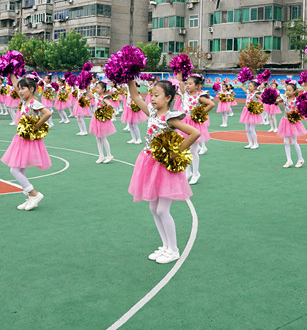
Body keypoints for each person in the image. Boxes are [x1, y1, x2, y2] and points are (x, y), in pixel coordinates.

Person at [126, 78, 199, 264]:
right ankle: (166, 246)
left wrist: (177, 151)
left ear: (168, 98)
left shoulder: (170, 118)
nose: (152, 98)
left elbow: (195, 133)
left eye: (156, 95)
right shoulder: (151, 112)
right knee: (153, 208)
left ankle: (174, 249)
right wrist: (129, 77)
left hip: (164, 167)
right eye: (151, 95)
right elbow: (135, 96)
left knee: (162, 209)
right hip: (149, 163)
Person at [1, 74, 52, 211]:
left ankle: (34, 193)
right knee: (21, 169)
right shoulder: (24, 102)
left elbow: (47, 113)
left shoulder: (34, 103)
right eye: (19, 89)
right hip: (21, 138)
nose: (20, 91)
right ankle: (30, 197)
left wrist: (36, 126)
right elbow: (15, 86)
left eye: (23, 88)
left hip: (28, 140)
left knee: (14, 170)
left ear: (31, 89)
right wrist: (11, 73)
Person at [177, 73, 215, 185]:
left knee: (193, 150)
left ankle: (196, 173)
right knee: (184, 148)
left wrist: (200, 113)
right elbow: (179, 81)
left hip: (194, 124)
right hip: (184, 123)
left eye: (190, 84)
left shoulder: (200, 96)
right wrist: (179, 68)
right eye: (187, 83)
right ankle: (188, 172)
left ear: (197, 86)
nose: (187, 85)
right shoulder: (184, 93)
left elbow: (211, 104)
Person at [277, 82, 307, 170]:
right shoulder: (284, 98)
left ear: (294, 91)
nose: (288, 92)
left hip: (293, 122)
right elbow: (277, 101)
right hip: (285, 121)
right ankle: (289, 160)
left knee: (294, 142)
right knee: (285, 142)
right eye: (287, 90)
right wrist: (272, 100)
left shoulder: (296, 100)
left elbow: (301, 107)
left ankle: (300, 159)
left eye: (290, 90)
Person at [89, 81, 116, 163]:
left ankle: (109, 155)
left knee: (103, 138)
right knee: (98, 138)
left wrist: (104, 111)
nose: (96, 89)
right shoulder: (97, 96)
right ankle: (101, 155)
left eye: (98, 88)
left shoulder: (104, 97)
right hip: (96, 119)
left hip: (102, 120)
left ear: (103, 89)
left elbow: (109, 104)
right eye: (96, 87)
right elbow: (90, 94)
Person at [239, 80, 263, 149]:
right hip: (246, 111)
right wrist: (243, 82)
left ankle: (256, 143)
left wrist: (258, 106)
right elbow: (242, 87)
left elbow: (263, 100)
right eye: (248, 86)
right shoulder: (248, 92)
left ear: (255, 87)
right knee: (247, 129)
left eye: (251, 86)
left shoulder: (256, 94)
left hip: (252, 112)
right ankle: (250, 143)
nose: (249, 87)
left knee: (252, 129)